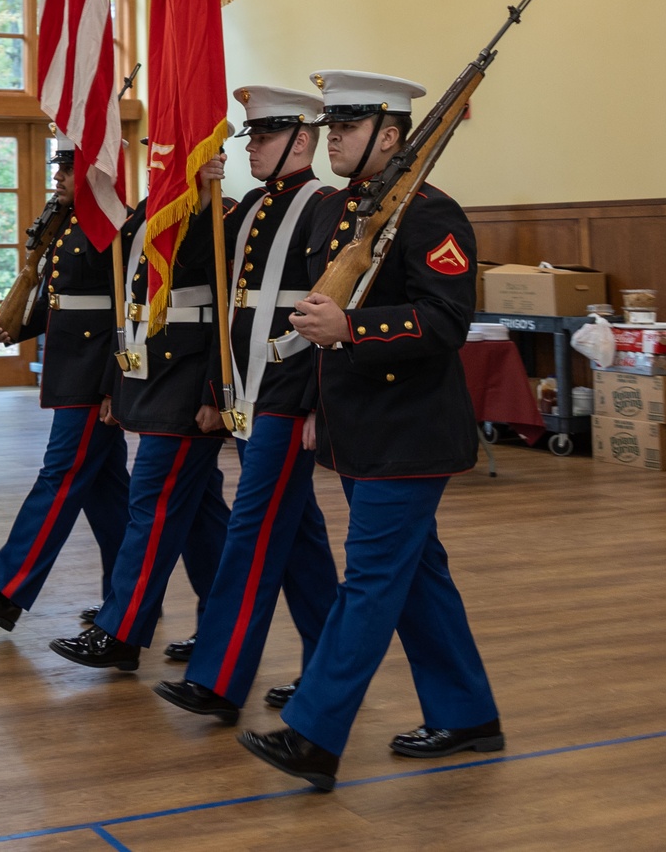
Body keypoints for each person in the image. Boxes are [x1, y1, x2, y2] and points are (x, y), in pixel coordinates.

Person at [238, 70, 503, 794]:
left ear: (390, 136)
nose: (331, 140)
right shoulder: (341, 213)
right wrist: (319, 408)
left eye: (346, 129)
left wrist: (353, 328)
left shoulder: (428, 213)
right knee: (419, 577)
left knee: (373, 581)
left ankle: (315, 733)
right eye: (329, 128)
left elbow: (447, 321)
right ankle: (468, 713)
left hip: (410, 431)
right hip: (361, 428)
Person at [154, 87, 338, 725]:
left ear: (301, 142)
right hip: (246, 395)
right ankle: (324, 669)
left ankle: (220, 676)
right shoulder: (249, 207)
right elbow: (214, 299)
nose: (249, 149)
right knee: (301, 543)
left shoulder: (326, 207)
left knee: (252, 529)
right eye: (250, 138)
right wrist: (199, 192)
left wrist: (320, 402)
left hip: (289, 396)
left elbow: (330, 318)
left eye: (262, 138)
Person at [49, 178, 232, 672]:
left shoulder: (222, 215)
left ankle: (121, 631)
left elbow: (229, 315)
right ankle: (219, 630)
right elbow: (129, 309)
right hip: (151, 380)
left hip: (191, 389)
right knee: (202, 514)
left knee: (149, 504)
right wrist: (115, 383)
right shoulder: (149, 212)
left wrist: (218, 392)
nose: (159, 163)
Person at [0, 131, 129, 631]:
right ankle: (127, 604)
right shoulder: (68, 221)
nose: (57, 176)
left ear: (94, 172)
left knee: (61, 476)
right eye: (59, 168)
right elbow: (61, 296)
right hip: (71, 364)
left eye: (68, 169)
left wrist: (118, 383)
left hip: (95, 373)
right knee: (108, 495)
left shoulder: (115, 226)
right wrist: (17, 325)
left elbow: (124, 314)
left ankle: (7, 588)